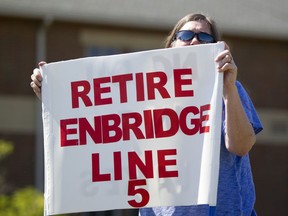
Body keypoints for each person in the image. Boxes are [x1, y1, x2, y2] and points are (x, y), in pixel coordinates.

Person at [31, 13, 263, 216]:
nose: (194, 40)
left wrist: (229, 89)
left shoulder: (228, 88)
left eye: (205, 37)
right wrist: (56, 97)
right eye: (185, 35)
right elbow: (97, 127)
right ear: (171, 45)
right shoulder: (141, 95)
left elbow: (241, 146)